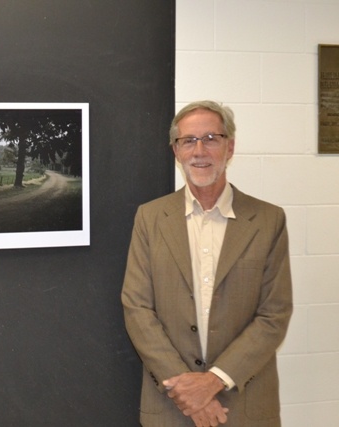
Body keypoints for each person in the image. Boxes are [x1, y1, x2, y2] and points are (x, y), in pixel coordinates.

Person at [121, 100, 293, 427]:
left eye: (211, 138)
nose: (199, 150)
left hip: (245, 404)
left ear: (230, 147)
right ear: (176, 150)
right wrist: (187, 390)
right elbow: (136, 307)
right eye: (188, 140)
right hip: (171, 404)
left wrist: (212, 382)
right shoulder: (150, 217)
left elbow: (274, 314)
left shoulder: (269, 220)